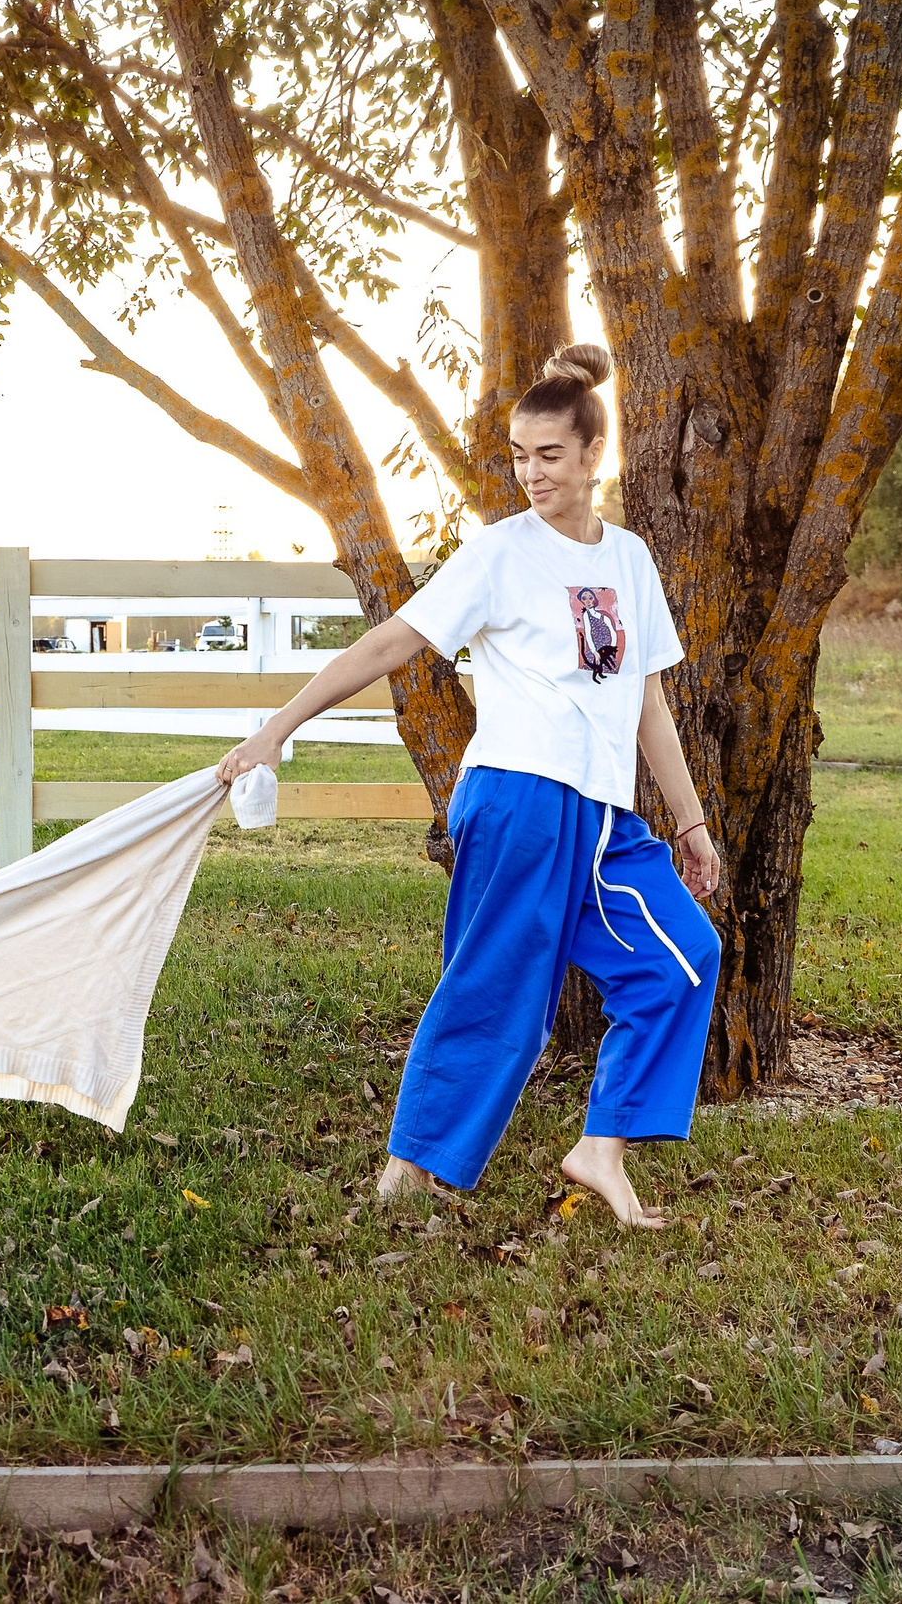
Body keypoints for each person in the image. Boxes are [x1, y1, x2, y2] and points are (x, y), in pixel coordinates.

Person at [217, 343, 721, 1228]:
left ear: (594, 453)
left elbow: (648, 705)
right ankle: (409, 1172)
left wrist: (691, 823)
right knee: (498, 995)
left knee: (681, 959)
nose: (532, 473)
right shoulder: (499, 553)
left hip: (603, 816)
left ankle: (600, 1148)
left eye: (550, 454)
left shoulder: (631, 561)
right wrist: (277, 728)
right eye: (520, 456)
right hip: (520, 798)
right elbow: (391, 643)